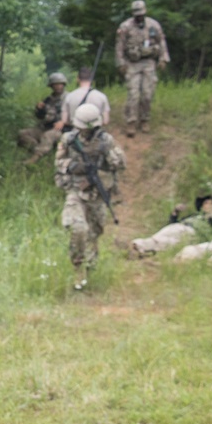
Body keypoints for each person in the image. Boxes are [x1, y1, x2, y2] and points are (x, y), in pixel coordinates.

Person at [54, 103, 126, 290]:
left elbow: (120, 164)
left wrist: (107, 154)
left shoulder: (106, 140)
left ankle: (90, 271)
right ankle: (77, 268)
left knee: (94, 233)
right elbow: (59, 162)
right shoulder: (69, 139)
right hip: (75, 192)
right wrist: (73, 166)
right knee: (78, 229)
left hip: (97, 194)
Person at [115, 0, 169, 137]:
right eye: (136, 14)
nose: (139, 16)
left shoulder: (153, 25)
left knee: (147, 93)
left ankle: (144, 119)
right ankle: (131, 122)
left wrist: (163, 58)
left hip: (149, 62)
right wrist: (121, 63)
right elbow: (120, 46)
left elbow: (161, 41)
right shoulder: (125, 26)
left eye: (141, 13)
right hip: (132, 63)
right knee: (133, 94)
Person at [130, 195, 212, 258]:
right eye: (206, 203)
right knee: (159, 236)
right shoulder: (194, 216)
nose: (209, 205)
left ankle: (145, 250)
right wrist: (175, 212)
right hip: (178, 226)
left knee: (170, 242)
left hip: (193, 232)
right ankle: (138, 245)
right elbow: (172, 222)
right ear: (202, 207)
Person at [18, 71, 68, 164]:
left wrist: (64, 122)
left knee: (47, 136)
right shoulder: (48, 100)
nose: (58, 87)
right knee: (24, 133)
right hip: (45, 127)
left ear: (63, 85)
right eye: (55, 84)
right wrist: (39, 109)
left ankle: (35, 158)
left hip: (60, 129)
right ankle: (39, 150)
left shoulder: (69, 98)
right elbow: (40, 117)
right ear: (51, 86)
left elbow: (75, 116)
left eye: (60, 84)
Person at [61, 65, 111, 130]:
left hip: (76, 132)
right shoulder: (102, 96)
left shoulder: (69, 97)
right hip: (95, 133)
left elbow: (64, 120)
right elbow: (105, 121)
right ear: (92, 79)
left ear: (77, 79)